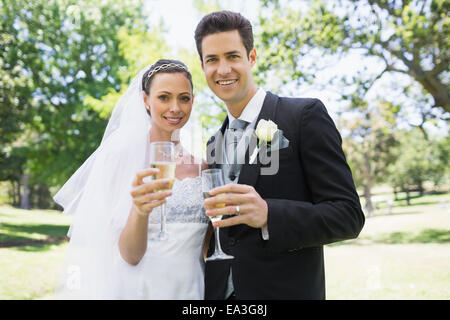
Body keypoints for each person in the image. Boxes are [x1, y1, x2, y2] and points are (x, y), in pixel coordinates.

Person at [194, 11, 365, 299]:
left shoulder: (303, 115)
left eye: (232, 56)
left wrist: (269, 215)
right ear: (203, 66)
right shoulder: (215, 142)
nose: (222, 69)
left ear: (252, 57)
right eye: (212, 59)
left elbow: (347, 215)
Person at [53, 59, 210, 299]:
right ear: (146, 100)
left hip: (193, 288)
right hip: (140, 287)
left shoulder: (202, 167)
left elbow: (207, 246)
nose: (175, 107)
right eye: (164, 97)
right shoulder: (121, 158)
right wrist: (140, 210)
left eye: (184, 98)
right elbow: (129, 255)